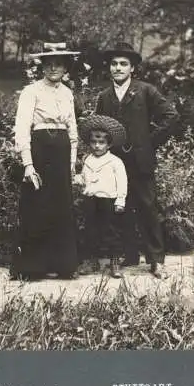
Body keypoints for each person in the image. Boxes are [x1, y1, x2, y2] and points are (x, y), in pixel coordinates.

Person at [95, 42, 179, 279]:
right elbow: (100, 128)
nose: (118, 68)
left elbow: (171, 116)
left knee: (148, 207)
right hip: (114, 163)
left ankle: (156, 260)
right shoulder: (104, 96)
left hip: (141, 161)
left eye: (123, 64)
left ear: (132, 68)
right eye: (114, 64)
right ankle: (125, 256)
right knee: (118, 208)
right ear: (109, 68)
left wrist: (149, 142)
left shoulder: (146, 91)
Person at [10, 42, 80, 281]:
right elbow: (22, 128)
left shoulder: (68, 93)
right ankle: (32, 267)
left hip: (61, 151)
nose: (54, 68)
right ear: (42, 66)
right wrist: (28, 164)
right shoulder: (31, 91)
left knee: (61, 204)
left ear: (65, 67)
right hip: (40, 149)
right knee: (38, 202)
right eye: (49, 64)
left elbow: (72, 128)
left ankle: (62, 265)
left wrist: (72, 161)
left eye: (58, 63)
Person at [75, 115, 128, 278]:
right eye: (93, 142)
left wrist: (120, 200)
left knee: (111, 231)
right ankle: (92, 261)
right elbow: (85, 179)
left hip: (108, 200)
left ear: (109, 144)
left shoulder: (115, 161)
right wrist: (78, 179)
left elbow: (122, 182)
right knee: (90, 230)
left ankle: (115, 262)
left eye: (101, 143)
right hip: (91, 199)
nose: (97, 146)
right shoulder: (88, 160)